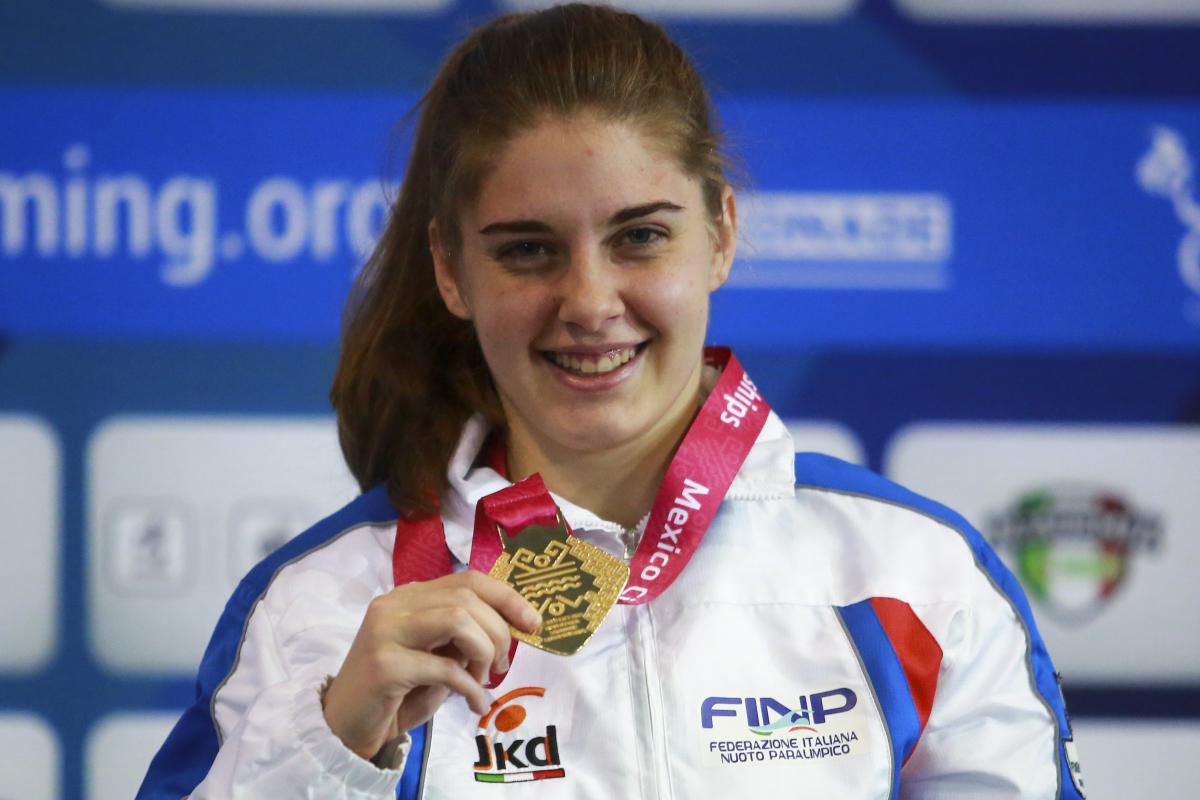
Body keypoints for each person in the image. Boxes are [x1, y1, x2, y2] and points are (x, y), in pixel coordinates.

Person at [138, 4, 1085, 798]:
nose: (590, 303)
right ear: (451, 271)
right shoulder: (325, 605)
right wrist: (332, 749)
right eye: (526, 249)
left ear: (720, 234)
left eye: (639, 238)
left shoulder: (913, 574)